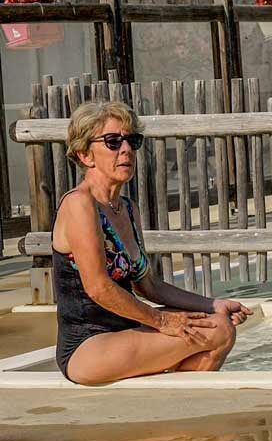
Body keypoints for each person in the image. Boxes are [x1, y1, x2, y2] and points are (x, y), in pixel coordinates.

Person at [51, 100, 251, 385]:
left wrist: (214, 304)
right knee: (216, 330)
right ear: (85, 155)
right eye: (112, 141)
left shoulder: (127, 208)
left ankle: (181, 422)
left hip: (126, 332)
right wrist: (163, 322)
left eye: (132, 141)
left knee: (216, 321)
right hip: (88, 345)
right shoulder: (79, 204)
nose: (126, 150)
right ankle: (183, 422)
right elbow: (99, 288)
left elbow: (149, 286)